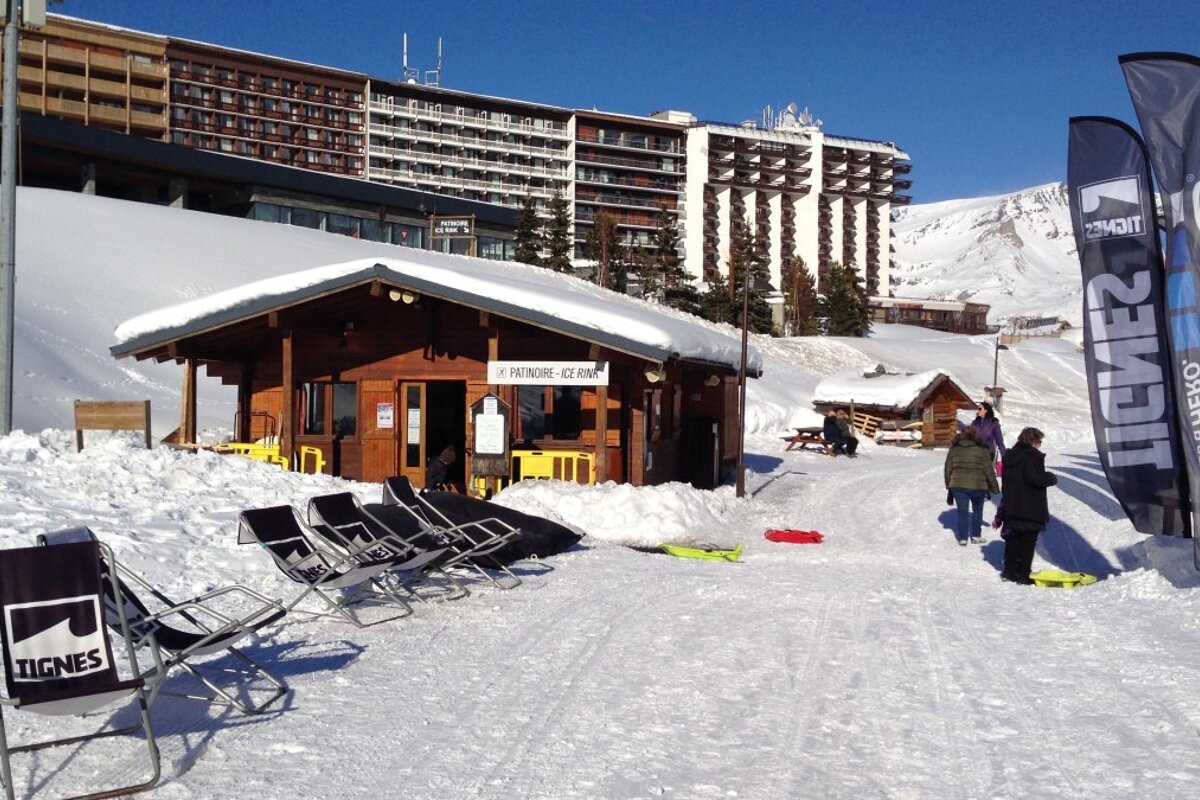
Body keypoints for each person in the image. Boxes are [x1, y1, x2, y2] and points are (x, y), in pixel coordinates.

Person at [999, 427, 1057, 585]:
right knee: (1028, 541)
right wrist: (1050, 478)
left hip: (1013, 503)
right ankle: (1023, 574)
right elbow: (1034, 478)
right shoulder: (1031, 457)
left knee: (1014, 538)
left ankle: (1009, 571)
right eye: (1039, 442)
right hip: (1030, 505)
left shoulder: (1011, 456)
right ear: (1032, 441)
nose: (1040, 445)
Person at [943, 425, 999, 545]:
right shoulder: (982, 449)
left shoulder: (954, 448)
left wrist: (949, 485)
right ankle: (975, 535)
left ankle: (963, 538)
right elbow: (988, 469)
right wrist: (994, 487)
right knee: (977, 510)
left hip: (958, 485)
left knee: (962, 512)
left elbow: (948, 468)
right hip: (978, 485)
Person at [973, 401, 1005, 468]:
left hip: (988, 452)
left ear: (986, 410)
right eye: (977, 408)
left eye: (980, 409)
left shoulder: (993, 423)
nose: (977, 410)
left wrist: (1004, 455)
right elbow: (969, 436)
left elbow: (999, 440)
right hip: (976, 452)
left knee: (986, 474)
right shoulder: (975, 423)